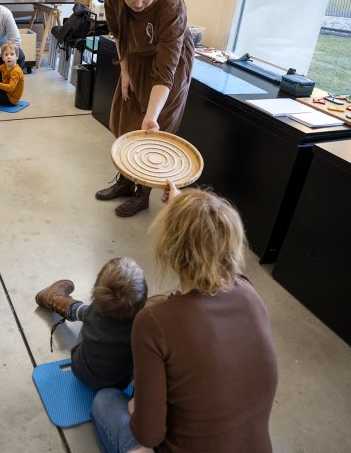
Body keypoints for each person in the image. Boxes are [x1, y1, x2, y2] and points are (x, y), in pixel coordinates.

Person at [90, 182, 278, 453]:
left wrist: (138, 407)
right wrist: (183, 209)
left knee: (105, 401)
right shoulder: (248, 292)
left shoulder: (153, 321)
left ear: (168, 250)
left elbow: (150, 435)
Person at [94, 0, 195, 217]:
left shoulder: (172, 9)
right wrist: (125, 72)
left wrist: (152, 116)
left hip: (169, 68)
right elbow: (119, 35)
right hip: (135, 58)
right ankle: (126, 181)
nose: (138, 3)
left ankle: (143, 194)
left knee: (153, 131)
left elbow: (164, 74)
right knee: (126, 120)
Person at [34, 257, 147, 391]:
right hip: (118, 384)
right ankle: (54, 299)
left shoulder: (94, 310)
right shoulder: (142, 327)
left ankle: (54, 298)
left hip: (80, 369)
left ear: (95, 290)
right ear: (143, 299)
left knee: (91, 313)